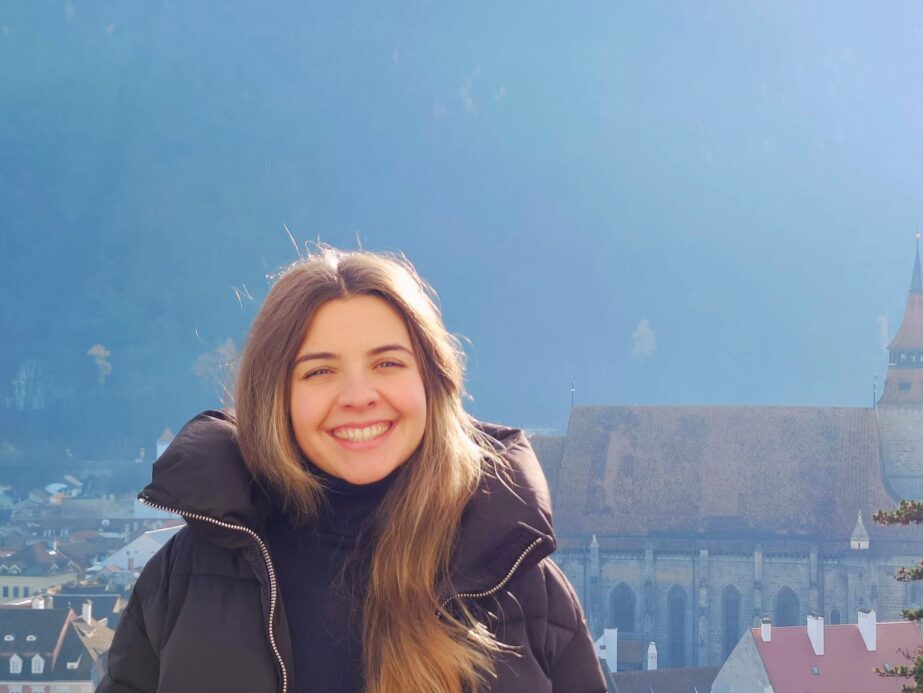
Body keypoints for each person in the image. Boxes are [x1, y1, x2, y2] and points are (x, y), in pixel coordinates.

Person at [98, 246, 607, 693]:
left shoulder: (515, 579)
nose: (359, 397)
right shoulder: (184, 578)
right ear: (275, 397)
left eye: (388, 363)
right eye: (320, 371)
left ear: (433, 382)